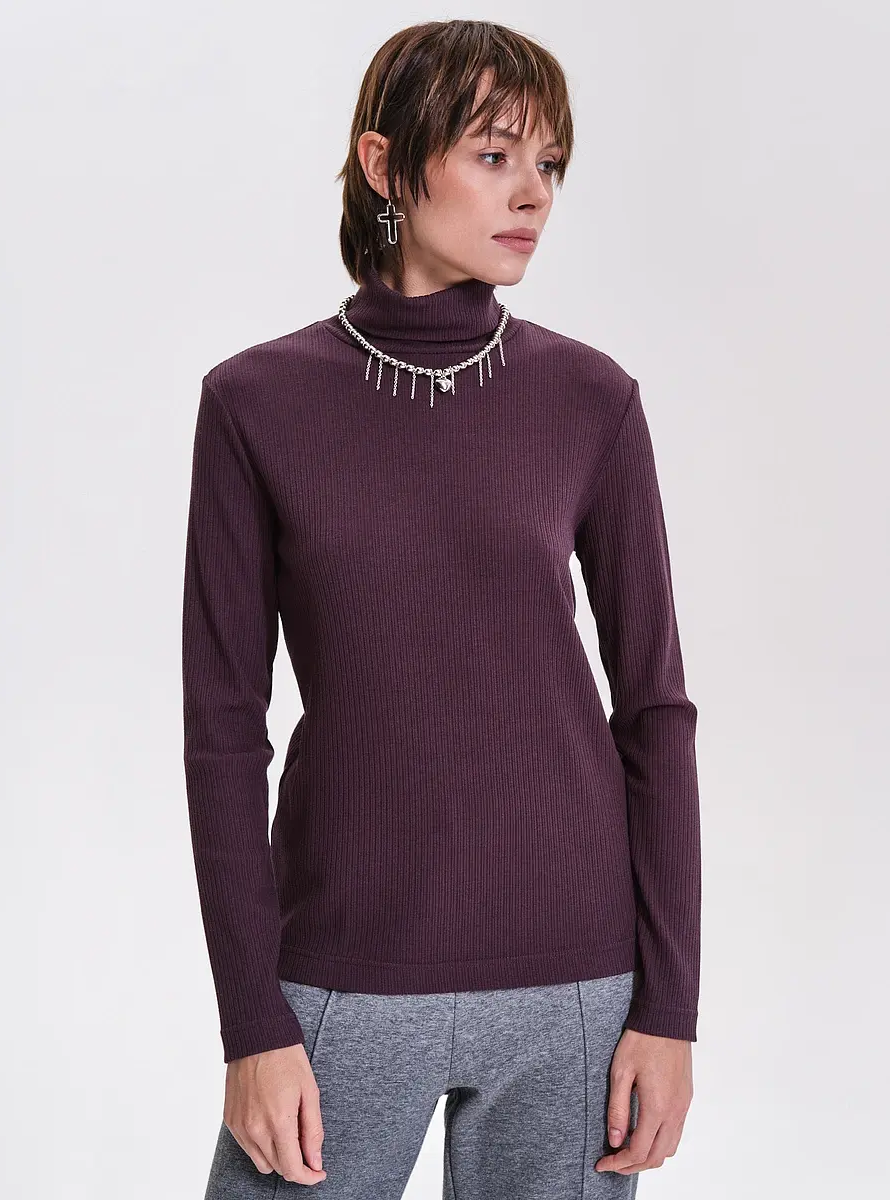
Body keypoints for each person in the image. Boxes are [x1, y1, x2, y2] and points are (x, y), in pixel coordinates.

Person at [182, 18, 701, 1199]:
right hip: (342, 980)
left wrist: (670, 1009)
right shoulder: (256, 404)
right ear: (385, 164)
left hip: (576, 993)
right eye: (494, 155)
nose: (533, 193)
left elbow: (655, 711)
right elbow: (221, 734)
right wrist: (252, 1024)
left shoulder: (591, 400)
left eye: (549, 163)